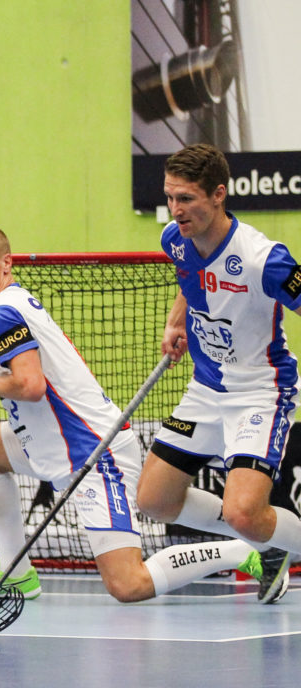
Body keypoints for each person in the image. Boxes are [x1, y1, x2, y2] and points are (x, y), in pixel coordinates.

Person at [0, 223, 265, 603]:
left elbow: (31, 386)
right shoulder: (13, 302)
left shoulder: (3, 311)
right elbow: (1, 353)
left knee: (128, 584)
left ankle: (245, 552)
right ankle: (15, 573)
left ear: (6, 263)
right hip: (55, 442)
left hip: (92, 452)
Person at [135, 143, 301, 603]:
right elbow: (190, 278)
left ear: (218, 195)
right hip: (206, 389)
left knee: (245, 512)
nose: (175, 209)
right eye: (170, 197)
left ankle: (271, 536)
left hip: (260, 392)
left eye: (186, 198)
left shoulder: (263, 259)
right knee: (154, 501)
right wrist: (176, 321)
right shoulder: (175, 239)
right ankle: (267, 545)